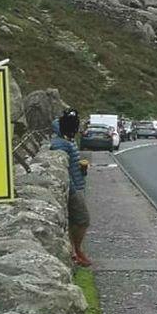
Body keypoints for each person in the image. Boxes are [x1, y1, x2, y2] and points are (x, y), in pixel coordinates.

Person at [51, 109, 92, 267]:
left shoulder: (69, 139)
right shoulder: (59, 143)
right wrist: (74, 188)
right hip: (73, 188)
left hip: (78, 183)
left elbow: (72, 163)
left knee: (74, 220)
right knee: (82, 220)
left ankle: (75, 252)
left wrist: (82, 169)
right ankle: (77, 251)